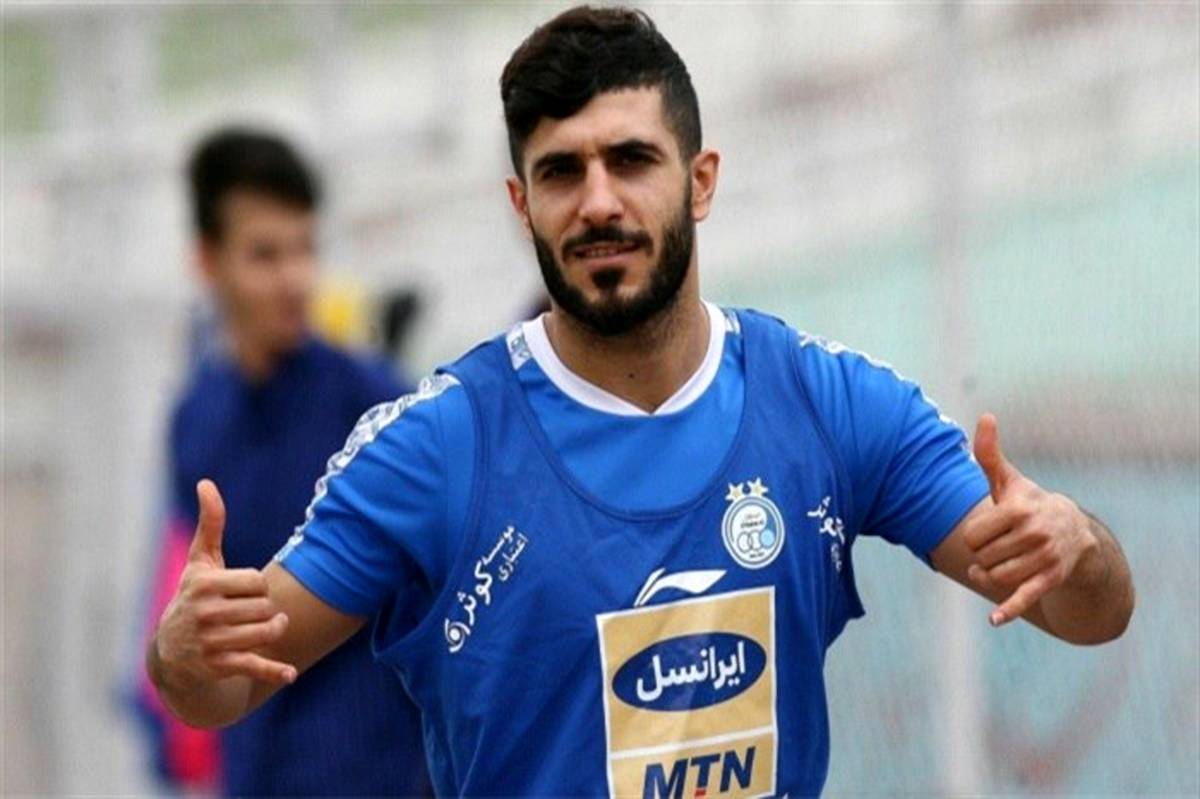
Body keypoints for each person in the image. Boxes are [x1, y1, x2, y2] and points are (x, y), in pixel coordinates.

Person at [146, 9, 1135, 798]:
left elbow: (1091, 612)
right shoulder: (436, 447)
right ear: (522, 205)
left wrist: (1078, 547)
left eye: (630, 159)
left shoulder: (828, 403)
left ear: (700, 181)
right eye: (560, 172)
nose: (599, 201)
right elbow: (221, 684)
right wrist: (183, 652)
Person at [136, 127, 430, 797]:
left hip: (377, 775)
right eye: (265, 254)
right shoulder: (195, 419)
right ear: (207, 260)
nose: (294, 278)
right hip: (254, 771)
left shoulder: (377, 406)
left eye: (305, 249)